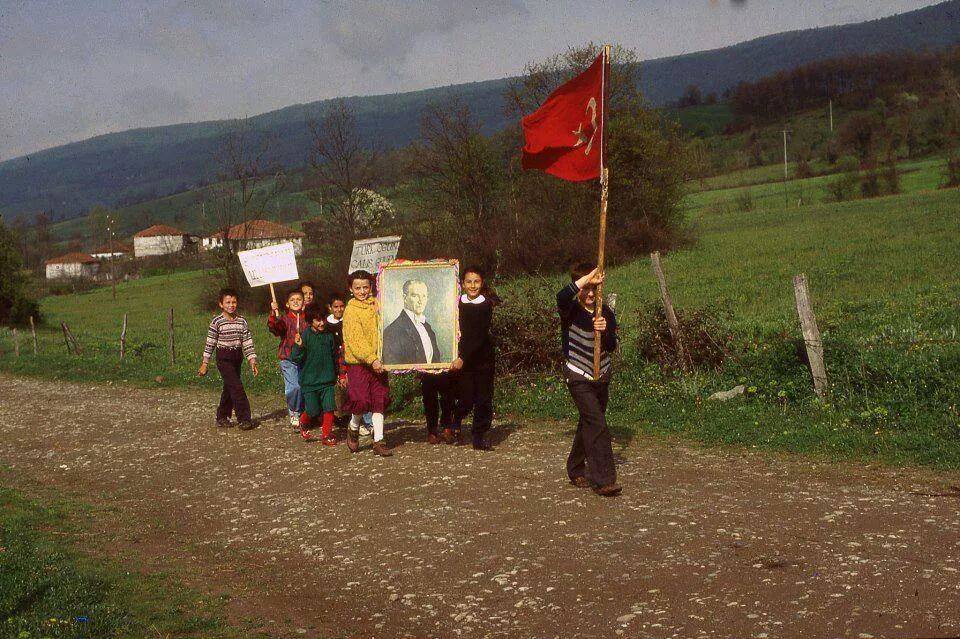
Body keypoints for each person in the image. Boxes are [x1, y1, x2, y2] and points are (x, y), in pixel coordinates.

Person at [557, 264, 621, 497]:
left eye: (596, 288)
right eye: (587, 289)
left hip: (601, 375)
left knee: (589, 422)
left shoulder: (605, 313)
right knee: (597, 423)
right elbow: (561, 295)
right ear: (580, 288)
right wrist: (587, 277)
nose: (591, 294)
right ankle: (603, 479)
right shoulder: (570, 310)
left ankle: (575, 468)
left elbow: (612, 347)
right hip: (577, 375)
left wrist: (604, 331)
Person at [341, 270, 393, 457]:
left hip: (379, 361)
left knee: (379, 399)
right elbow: (356, 341)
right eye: (357, 288)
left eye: (365, 287)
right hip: (360, 363)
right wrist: (371, 359)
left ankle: (379, 440)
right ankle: (354, 427)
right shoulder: (350, 311)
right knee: (361, 400)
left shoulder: (378, 305)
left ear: (371, 287)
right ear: (351, 289)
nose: (362, 291)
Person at [448, 266, 497, 450]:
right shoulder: (456, 303)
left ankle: (480, 436)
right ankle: (456, 420)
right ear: (462, 284)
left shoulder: (486, 304)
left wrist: (462, 357)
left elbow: (478, 335)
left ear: (482, 283)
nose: (473, 285)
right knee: (466, 397)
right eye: (469, 282)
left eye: (476, 281)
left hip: (482, 358)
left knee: (483, 398)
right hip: (462, 360)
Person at [199, 287, 259, 430]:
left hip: (237, 357)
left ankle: (222, 417)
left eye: (234, 302)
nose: (231, 305)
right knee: (237, 387)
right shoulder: (217, 322)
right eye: (228, 302)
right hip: (223, 358)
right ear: (221, 304)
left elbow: (247, 342)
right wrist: (204, 363)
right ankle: (244, 418)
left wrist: (252, 360)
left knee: (229, 387)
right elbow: (210, 343)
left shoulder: (242, 321)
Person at [290, 307, 340, 446]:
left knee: (329, 408)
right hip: (310, 382)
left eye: (323, 319)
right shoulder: (304, 336)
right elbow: (295, 358)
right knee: (313, 410)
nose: (322, 323)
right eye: (318, 320)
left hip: (327, 380)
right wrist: (299, 346)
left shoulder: (329, 335)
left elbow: (335, 356)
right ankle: (303, 422)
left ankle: (326, 435)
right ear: (310, 321)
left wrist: (338, 374)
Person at [267, 288, 306, 428]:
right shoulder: (284, 318)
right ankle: (294, 411)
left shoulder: (307, 318)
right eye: (292, 300)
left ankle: (304, 412)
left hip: (304, 358)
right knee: (294, 387)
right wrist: (274, 314)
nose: (296, 302)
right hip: (288, 358)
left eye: (299, 299)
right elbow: (276, 329)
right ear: (287, 304)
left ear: (304, 302)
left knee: (303, 386)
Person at [382, 279, 441, 366]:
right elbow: (393, 368)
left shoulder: (428, 328)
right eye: (415, 296)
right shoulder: (392, 330)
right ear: (405, 298)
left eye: (424, 296)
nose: (421, 301)